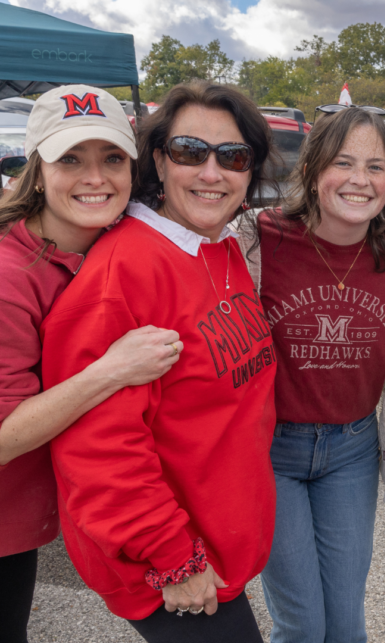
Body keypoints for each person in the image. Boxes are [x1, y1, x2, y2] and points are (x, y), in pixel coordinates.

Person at [38, 81, 278, 643]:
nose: (212, 173)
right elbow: (97, 446)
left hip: (220, 546)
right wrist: (174, 558)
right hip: (171, 568)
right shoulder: (125, 272)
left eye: (234, 156)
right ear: (158, 160)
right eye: (191, 152)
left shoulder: (218, 247)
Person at [239, 106, 385, 643]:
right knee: (302, 625)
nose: (359, 180)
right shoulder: (256, 238)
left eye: (375, 167)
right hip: (272, 450)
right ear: (313, 169)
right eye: (343, 162)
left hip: (352, 448)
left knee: (346, 625)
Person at [0, 85, 180, 643]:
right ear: (37, 170)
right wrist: (110, 370)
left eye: (112, 159)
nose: (95, 177)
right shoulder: (10, 275)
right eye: (70, 159)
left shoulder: (111, 248)